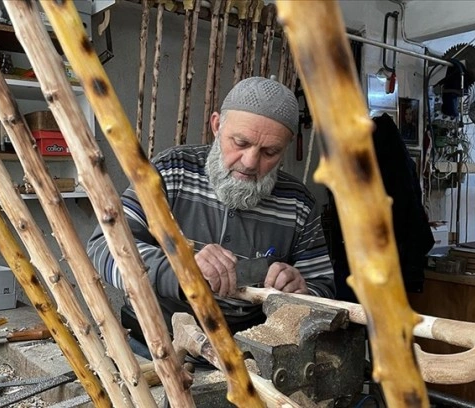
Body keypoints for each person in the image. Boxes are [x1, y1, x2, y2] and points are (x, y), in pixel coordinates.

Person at [87, 77, 335, 346]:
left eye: (270, 152)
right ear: (217, 125)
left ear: (285, 148)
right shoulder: (172, 171)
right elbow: (105, 246)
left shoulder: (299, 202)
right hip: (153, 344)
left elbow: (324, 288)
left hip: (247, 354)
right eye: (240, 143)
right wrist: (183, 270)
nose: (251, 162)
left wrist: (301, 291)